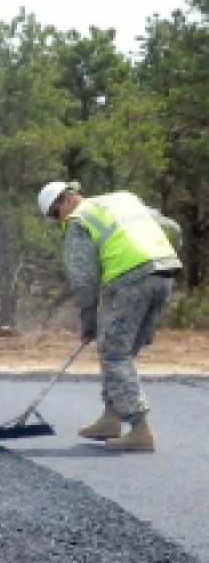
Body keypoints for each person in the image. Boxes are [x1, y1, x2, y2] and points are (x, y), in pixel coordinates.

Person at [37, 181, 182, 452]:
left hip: (132, 278)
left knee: (114, 353)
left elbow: (83, 280)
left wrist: (89, 320)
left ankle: (140, 430)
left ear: (67, 200)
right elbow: (172, 227)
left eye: (56, 214)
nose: (58, 221)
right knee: (120, 350)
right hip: (164, 273)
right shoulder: (122, 198)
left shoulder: (78, 220)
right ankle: (111, 418)